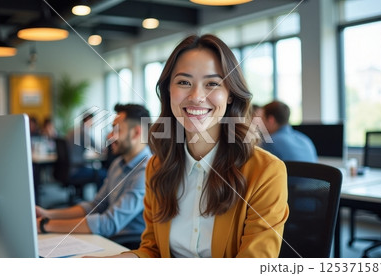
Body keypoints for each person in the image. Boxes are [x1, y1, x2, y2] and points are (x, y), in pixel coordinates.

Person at [111, 34, 289, 258]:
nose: (196, 96)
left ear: (231, 95)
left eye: (212, 84)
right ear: (168, 91)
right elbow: (153, 249)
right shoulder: (157, 166)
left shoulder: (266, 172)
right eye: (184, 82)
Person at [36, 104, 152, 248]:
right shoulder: (117, 164)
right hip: (106, 237)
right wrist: (47, 214)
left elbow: (109, 223)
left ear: (136, 133)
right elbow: (95, 205)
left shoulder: (147, 170)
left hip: (129, 245)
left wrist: (46, 225)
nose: (109, 136)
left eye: (116, 130)